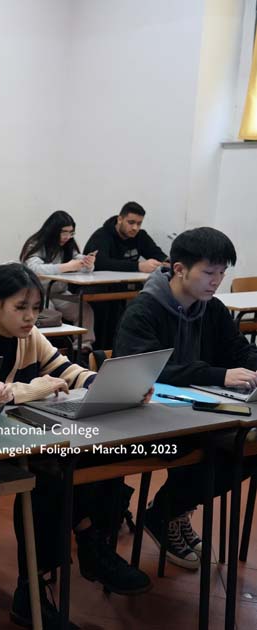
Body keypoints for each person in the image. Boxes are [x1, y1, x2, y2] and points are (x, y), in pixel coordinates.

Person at [0, 263, 151, 630]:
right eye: (20, 307)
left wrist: (104, 384)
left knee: (96, 455)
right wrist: (37, 387)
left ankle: (90, 543)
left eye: (36, 308)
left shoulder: (30, 335)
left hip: (27, 441)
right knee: (49, 477)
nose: (30, 317)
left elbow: (65, 369)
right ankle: (37, 584)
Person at [114, 227, 257, 570]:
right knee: (214, 448)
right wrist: (218, 375)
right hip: (149, 420)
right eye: (209, 272)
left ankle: (170, 511)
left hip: (201, 415)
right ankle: (167, 513)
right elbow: (147, 369)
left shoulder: (213, 309)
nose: (216, 281)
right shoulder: (144, 310)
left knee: (250, 447)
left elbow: (239, 351)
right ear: (179, 269)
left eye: (222, 272)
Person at [84, 201, 168, 347]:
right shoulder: (102, 235)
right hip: (99, 290)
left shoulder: (140, 236)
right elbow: (101, 262)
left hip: (125, 288)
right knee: (109, 313)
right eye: (131, 222)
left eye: (139, 223)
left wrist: (167, 262)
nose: (135, 228)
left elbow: (157, 254)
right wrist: (138, 266)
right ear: (120, 219)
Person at [20, 210, 97, 353]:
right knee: (49, 313)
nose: (67, 237)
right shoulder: (36, 244)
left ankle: (83, 348)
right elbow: (34, 268)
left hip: (60, 293)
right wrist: (66, 267)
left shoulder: (68, 244)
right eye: (64, 232)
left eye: (71, 233)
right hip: (38, 293)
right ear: (53, 230)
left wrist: (88, 264)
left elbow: (78, 262)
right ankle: (47, 351)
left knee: (84, 309)